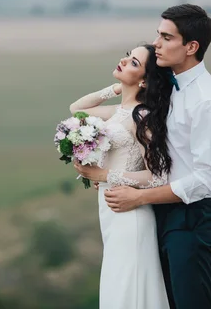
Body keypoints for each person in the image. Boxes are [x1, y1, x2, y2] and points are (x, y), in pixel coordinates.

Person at [76, 4, 211, 309]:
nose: (157, 44)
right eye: (157, 35)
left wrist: (139, 197)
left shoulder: (208, 101)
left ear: (191, 47)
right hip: (157, 210)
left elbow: (210, 179)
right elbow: (151, 148)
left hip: (189, 215)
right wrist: (124, 172)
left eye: (166, 37)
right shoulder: (170, 90)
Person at [69, 44, 173, 309]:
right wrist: (117, 88)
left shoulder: (142, 116)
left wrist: (104, 174)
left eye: (134, 63)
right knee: (117, 289)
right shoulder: (118, 112)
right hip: (111, 213)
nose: (124, 61)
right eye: (128, 56)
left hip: (131, 216)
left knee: (129, 289)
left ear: (145, 80)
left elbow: (158, 177)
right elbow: (76, 108)